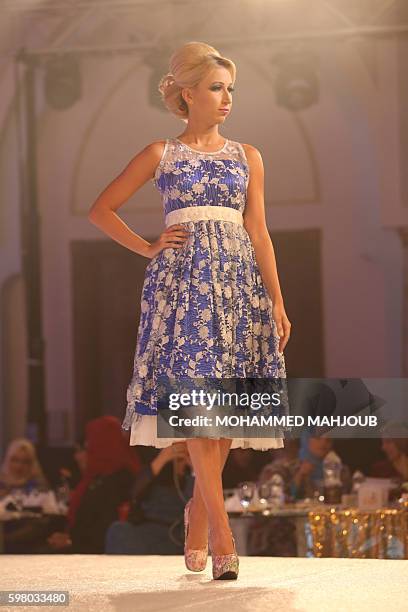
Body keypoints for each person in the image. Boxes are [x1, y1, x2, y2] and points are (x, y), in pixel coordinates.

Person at [88, 41, 291, 580]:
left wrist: (276, 298)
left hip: (237, 284)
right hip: (181, 286)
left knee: (221, 413)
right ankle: (223, 537)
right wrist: (149, 246)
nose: (227, 99)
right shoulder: (161, 154)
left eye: (231, 89)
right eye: (216, 88)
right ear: (187, 94)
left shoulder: (249, 155)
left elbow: (259, 231)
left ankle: (198, 514)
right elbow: (100, 209)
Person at [47, 416, 142, 553]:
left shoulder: (118, 482)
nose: (81, 455)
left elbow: (103, 532)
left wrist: (70, 541)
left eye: (88, 446)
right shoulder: (98, 478)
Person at [105, 442, 194, 554]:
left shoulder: (190, 480)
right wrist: (163, 458)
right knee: (118, 529)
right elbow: (134, 493)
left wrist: (195, 469)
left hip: (175, 534)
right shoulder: (157, 476)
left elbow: (195, 503)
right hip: (147, 529)